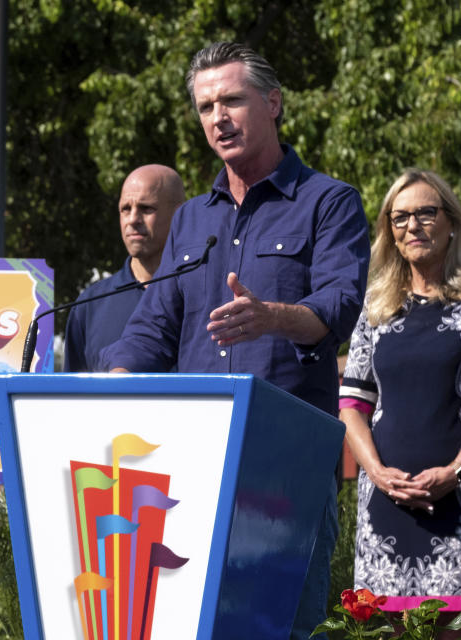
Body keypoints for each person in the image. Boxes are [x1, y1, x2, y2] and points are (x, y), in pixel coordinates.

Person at [100, 42, 371, 639]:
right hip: (193, 464)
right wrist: (109, 388)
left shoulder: (329, 202)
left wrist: (273, 316)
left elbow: (338, 306)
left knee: (284, 629)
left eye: (232, 100)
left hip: (287, 470)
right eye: (205, 107)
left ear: (272, 103)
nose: (217, 117)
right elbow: (154, 325)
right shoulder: (193, 219)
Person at [339, 169, 461, 634]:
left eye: (426, 213)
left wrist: (456, 471)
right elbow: (353, 406)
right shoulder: (375, 307)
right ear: (389, 232)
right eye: (400, 218)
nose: (413, 226)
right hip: (386, 507)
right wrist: (377, 474)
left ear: (452, 222)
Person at [63, 164, 185, 372]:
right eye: (125, 209)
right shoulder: (91, 305)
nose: (133, 219)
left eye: (147, 208)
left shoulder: (203, 295)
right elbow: (74, 397)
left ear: (179, 213)